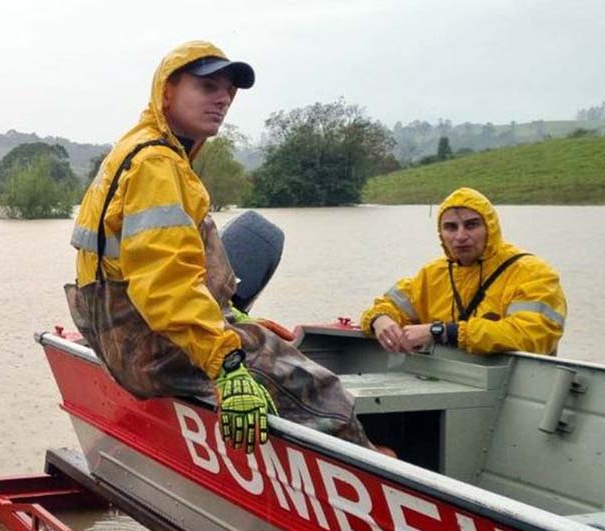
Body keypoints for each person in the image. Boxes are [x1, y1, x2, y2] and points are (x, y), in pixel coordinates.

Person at [66, 40, 376, 454]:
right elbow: (165, 285)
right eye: (208, 86)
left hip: (130, 333)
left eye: (229, 89)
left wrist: (234, 319)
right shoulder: (156, 165)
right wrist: (227, 363)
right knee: (324, 394)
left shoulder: (142, 149)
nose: (223, 98)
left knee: (264, 338)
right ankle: (378, 481)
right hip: (155, 345)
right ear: (167, 91)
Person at [361, 186, 567, 355]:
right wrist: (380, 320)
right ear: (441, 233)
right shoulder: (432, 274)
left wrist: (441, 331)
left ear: (491, 228)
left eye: (471, 225)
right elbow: (386, 306)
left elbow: (531, 336)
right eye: (451, 227)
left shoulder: (533, 273)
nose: (460, 236)